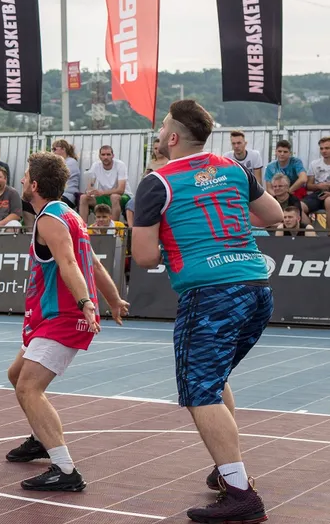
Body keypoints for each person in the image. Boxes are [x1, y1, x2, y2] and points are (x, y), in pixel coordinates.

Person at [131, 100, 284, 523]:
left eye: (162, 127)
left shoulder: (157, 182)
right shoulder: (233, 168)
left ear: (173, 137)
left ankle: (241, 493)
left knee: (200, 391)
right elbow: (272, 215)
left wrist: (181, 237)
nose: (159, 134)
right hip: (256, 287)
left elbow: (143, 256)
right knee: (214, 380)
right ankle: (226, 469)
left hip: (210, 293)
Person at [3, 151, 128, 492]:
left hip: (62, 316)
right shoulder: (69, 214)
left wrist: (86, 302)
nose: (21, 180)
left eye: (25, 176)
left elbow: (70, 263)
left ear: (35, 185)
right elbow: (94, 264)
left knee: (28, 388)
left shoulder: (49, 220)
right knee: (16, 375)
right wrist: (113, 299)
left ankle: (64, 468)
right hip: (52, 316)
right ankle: (41, 438)